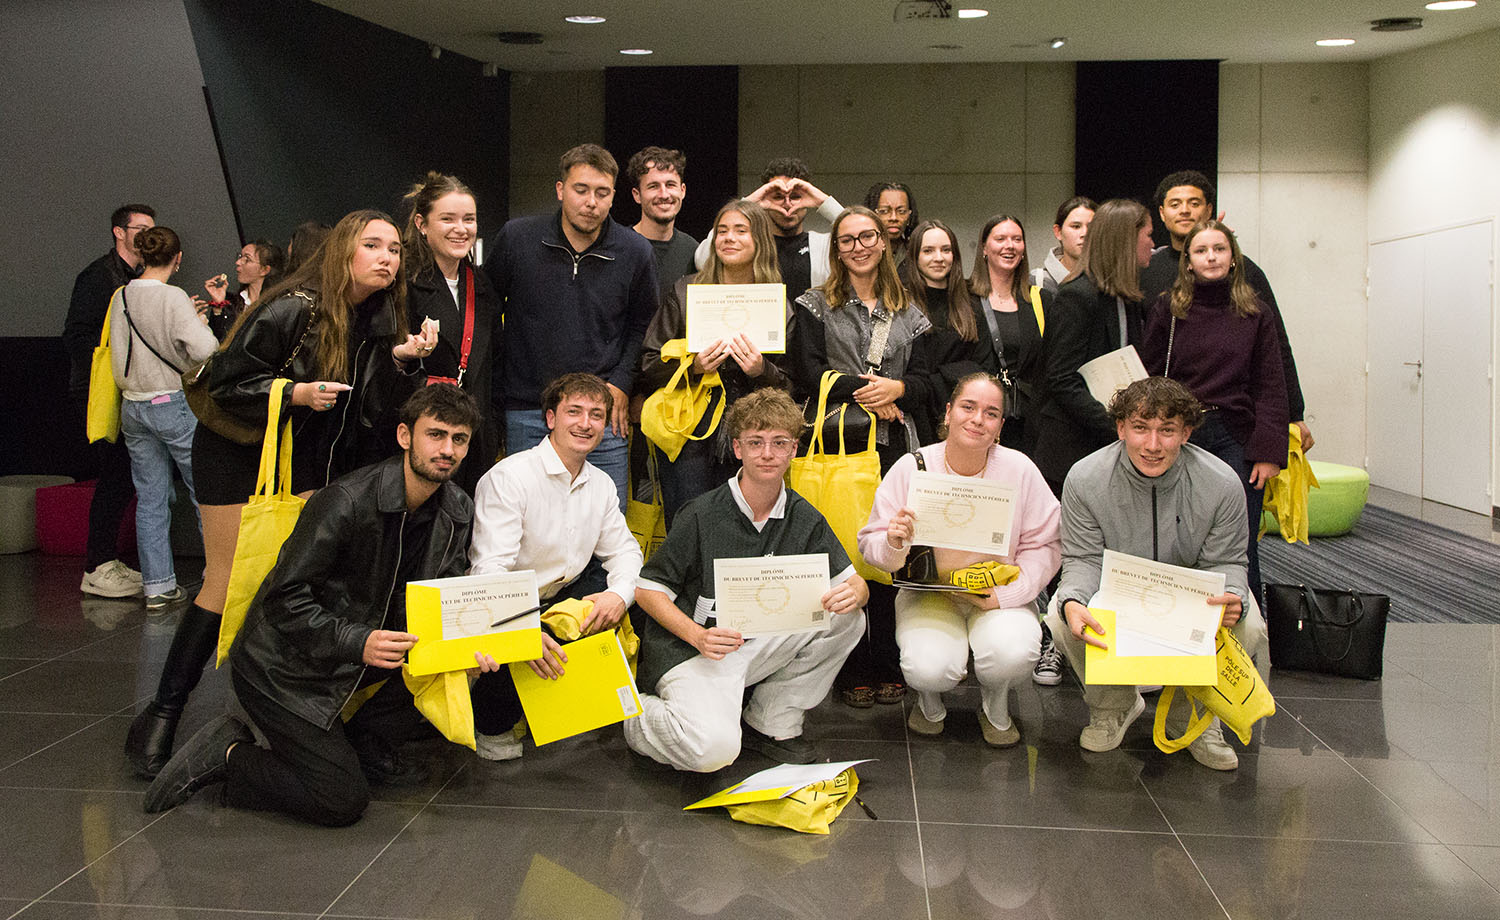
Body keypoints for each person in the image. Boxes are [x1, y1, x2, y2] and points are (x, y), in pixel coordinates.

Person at [124, 209, 437, 780]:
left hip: (303, 457)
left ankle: (290, 715)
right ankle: (163, 713)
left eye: (394, 249)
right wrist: (294, 393)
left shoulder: (374, 316)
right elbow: (224, 381)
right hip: (240, 453)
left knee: (293, 581)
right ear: (344, 250)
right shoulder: (295, 306)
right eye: (373, 245)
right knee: (224, 583)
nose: (387, 258)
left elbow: (369, 409)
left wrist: (399, 360)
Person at [143, 385, 488, 824]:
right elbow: (283, 599)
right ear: (405, 436)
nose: (447, 450)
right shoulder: (347, 501)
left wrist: (468, 648)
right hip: (283, 668)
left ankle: (362, 746)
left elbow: (444, 599)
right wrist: (357, 641)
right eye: (435, 435)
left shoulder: (457, 508)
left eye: (459, 439)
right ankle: (228, 754)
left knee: (444, 665)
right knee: (341, 801)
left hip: (355, 661)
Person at [625, 388, 868, 770]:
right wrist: (697, 636)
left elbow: (855, 584)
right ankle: (636, 717)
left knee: (848, 617)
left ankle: (770, 721)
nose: (767, 453)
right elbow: (647, 591)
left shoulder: (804, 516)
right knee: (713, 753)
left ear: (793, 450)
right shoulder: (702, 513)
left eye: (779, 442)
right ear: (737, 448)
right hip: (695, 649)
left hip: (755, 644)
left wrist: (855, 593)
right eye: (756, 442)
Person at [1042, 376, 1265, 770]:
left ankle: (1192, 717)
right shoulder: (1085, 478)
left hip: (1191, 601)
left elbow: (1228, 561)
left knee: (1250, 626)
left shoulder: (1221, 483)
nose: (1152, 444)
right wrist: (1073, 600)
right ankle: (1113, 706)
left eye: (1167, 430)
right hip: (1118, 596)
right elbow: (1083, 559)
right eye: (1141, 427)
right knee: (1062, 615)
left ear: (1186, 433)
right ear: (1121, 428)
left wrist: (1234, 595)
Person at [859, 373, 1060, 745]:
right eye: (968, 407)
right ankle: (929, 703)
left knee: (1014, 652)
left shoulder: (1019, 469)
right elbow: (870, 545)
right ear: (949, 413)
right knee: (928, 668)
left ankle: (995, 705)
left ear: (1000, 426)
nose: (978, 419)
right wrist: (892, 541)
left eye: (991, 413)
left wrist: (1007, 596)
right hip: (929, 593)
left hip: (996, 593)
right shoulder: (912, 466)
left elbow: (1045, 544)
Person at [789, 205, 934, 710]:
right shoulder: (814, 304)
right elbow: (807, 372)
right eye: (847, 240)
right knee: (843, 551)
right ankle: (850, 666)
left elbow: (929, 380)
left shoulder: (911, 310)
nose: (859, 247)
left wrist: (900, 389)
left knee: (891, 551)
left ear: (884, 242)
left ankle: (888, 662)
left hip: (895, 443)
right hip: (839, 443)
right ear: (836, 249)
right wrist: (874, 391)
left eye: (867, 236)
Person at [466, 373, 644, 761]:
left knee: (635, 597)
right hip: (503, 603)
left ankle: (559, 703)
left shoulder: (600, 484)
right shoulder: (510, 477)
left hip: (559, 595)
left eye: (596, 414)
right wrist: (523, 629)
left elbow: (626, 552)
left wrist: (617, 596)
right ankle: (490, 718)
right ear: (550, 418)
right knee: (525, 639)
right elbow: (489, 572)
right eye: (574, 411)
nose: (585, 423)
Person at [484, 143, 660, 510]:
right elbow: (486, 309)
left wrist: (621, 383)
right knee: (529, 520)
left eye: (602, 192)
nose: (591, 202)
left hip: (601, 412)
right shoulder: (517, 238)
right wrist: (499, 388)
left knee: (605, 523)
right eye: (581, 190)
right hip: (528, 408)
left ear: (614, 196)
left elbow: (643, 324)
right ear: (561, 189)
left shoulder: (635, 251)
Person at [1139, 219, 1288, 605]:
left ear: (1233, 258)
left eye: (1219, 249)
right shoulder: (1169, 309)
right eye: (1201, 250)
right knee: (1171, 536)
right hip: (1176, 433)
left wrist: (1268, 453)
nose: (1211, 257)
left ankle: (1244, 627)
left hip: (1233, 434)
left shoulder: (1256, 312)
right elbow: (1147, 373)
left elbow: (1271, 384)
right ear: (1187, 261)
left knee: (1238, 542)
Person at [640, 199, 794, 524]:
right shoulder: (686, 291)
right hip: (689, 431)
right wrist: (693, 366)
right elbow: (649, 363)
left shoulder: (776, 302)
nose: (728, 238)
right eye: (722, 231)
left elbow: (794, 384)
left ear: (760, 240)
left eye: (740, 230)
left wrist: (761, 370)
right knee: (689, 524)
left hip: (755, 432)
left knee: (748, 526)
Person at [1139, 170, 1312, 452]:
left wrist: (1294, 414)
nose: (1184, 210)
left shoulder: (1247, 273)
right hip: (1172, 422)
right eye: (1175, 204)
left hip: (1234, 422)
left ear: (1209, 210)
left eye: (1194, 203)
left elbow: (1275, 351)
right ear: (1161, 213)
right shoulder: (1146, 270)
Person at [107, 227, 218, 609]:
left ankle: (157, 586)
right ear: (178, 258)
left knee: (151, 499)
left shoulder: (121, 296)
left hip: (132, 406)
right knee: (204, 494)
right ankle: (216, 581)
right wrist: (200, 323)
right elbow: (206, 350)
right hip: (172, 402)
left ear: (141, 254)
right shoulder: (173, 297)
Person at [1032, 199, 1154, 495]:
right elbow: (1061, 379)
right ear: (1127, 240)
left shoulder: (1127, 298)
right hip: (1073, 449)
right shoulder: (1077, 296)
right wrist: (1117, 424)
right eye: (1149, 235)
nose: (1152, 244)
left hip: (1110, 443)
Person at [64, 203, 155, 599]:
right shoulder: (98, 277)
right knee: (116, 474)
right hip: (101, 391)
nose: (148, 235)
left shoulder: (137, 276)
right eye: (141, 229)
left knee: (125, 476)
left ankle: (105, 562)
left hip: (127, 389)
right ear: (119, 232)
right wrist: (110, 373)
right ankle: (97, 565)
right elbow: (77, 335)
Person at [402, 171, 502, 494]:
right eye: (448, 219)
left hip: (473, 437)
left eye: (468, 219)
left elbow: (493, 366)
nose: (461, 229)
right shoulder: (402, 283)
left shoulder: (482, 284)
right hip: (423, 436)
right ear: (422, 224)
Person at [693, 157, 844, 300]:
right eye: (778, 197)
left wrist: (822, 201)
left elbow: (855, 233)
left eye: (795, 196)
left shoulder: (823, 245)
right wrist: (749, 203)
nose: (787, 204)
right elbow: (703, 260)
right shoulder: (749, 244)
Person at [899, 219, 994, 437]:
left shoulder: (972, 304)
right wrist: (953, 373)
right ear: (914, 257)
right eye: (928, 251)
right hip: (913, 419)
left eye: (946, 250)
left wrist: (935, 379)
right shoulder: (900, 306)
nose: (939, 258)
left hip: (965, 419)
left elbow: (984, 368)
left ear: (955, 256)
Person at [968, 214, 1049, 453]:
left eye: (1017, 239)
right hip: (977, 420)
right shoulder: (964, 298)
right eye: (1000, 239)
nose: (1010, 246)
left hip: (1028, 423)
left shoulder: (1040, 300)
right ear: (984, 248)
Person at [627, 146, 698, 296]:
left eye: (670, 185)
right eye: (653, 186)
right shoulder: (620, 247)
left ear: (683, 190)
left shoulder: (692, 250)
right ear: (637, 195)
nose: (664, 194)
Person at [197, 240, 285, 341]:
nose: (238, 262)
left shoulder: (277, 305)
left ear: (264, 270)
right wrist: (218, 307)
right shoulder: (232, 302)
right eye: (240, 256)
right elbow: (217, 341)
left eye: (247, 259)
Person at [1031, 196, 1096, 292]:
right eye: (1076, 226)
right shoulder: (1036, 281)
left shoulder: (1109, 281)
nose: (1085, 233)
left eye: (1091, 227)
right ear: (1058, 232)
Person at [863, 181, 919, 261]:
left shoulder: (916, 255)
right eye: (884, 211)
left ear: (910, 216)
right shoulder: (860, 253)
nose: (894, 218)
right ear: (871, 214)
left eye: (901, 211)